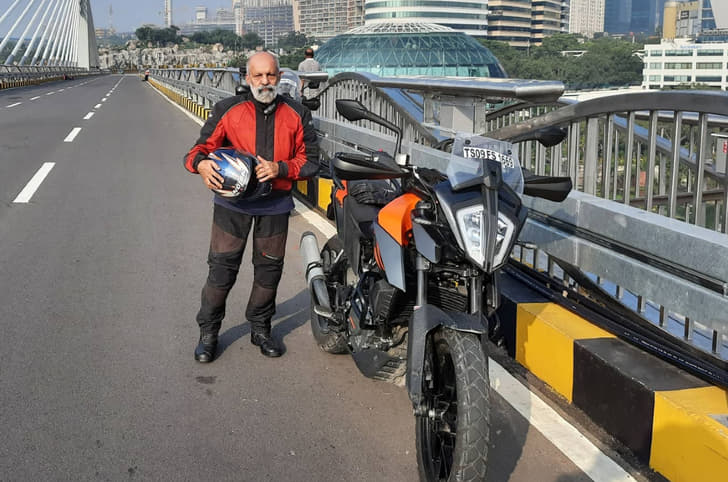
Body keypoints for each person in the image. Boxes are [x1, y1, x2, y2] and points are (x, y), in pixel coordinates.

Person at [184, 52, 320, 362]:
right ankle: (208, 332)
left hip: (275, 204)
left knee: (269, 271)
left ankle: (261, 328)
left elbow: (311, 161)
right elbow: (197, 151)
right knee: (221, 270)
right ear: (247, 78)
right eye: (258, 76)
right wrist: (201, 165)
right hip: (232, 205)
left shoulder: (297, 113)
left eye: (270, 75)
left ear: (280, 76)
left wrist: (280, 168)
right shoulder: (228, 109)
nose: (264, 81)